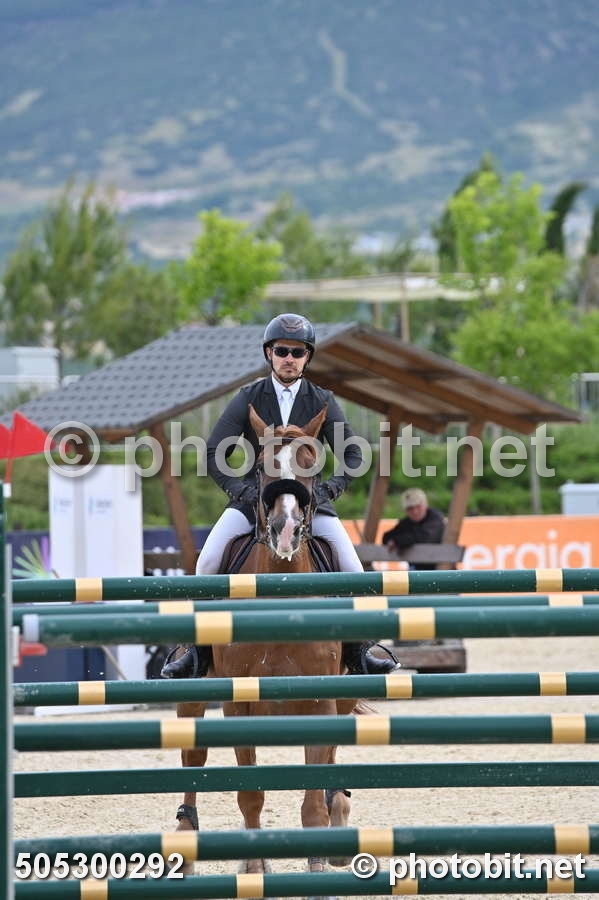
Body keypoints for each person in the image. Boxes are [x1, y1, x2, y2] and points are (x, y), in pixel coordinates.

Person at [162, 313, 400, 678]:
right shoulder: (249, 397)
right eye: (282, 351)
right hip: (254, 500)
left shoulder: (321, 399)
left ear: (307, 357)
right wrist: (242, 491)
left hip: (309, 503)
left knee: (353, 569)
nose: (289, 358)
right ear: (269, 354)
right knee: (206, 563)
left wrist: (328, 490)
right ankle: (197, 653)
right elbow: (213, 452)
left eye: (298, 352)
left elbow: (353, 455)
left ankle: (359, 651)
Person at [381, 488, 445, 570]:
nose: (415, 511)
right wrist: (396, 540)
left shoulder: (435, 518)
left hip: (440, 571)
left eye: (418, 506)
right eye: (410, 508)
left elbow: (424, 537)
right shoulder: (407, 522)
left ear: (425, 504)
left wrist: (398, 541)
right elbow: (387, 537)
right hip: (417, 571)